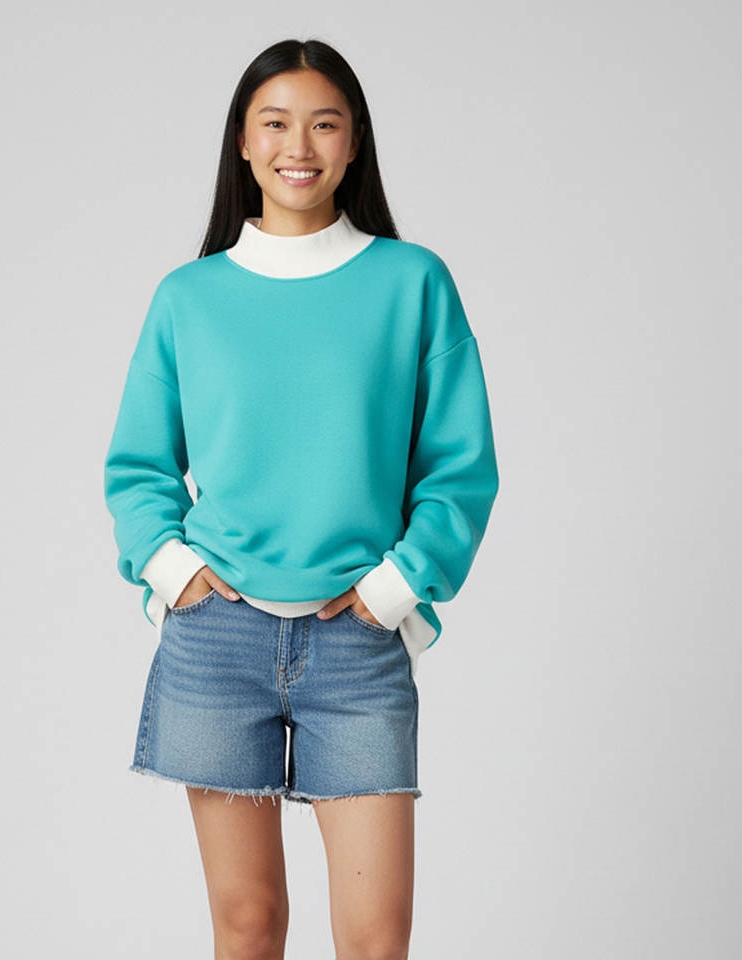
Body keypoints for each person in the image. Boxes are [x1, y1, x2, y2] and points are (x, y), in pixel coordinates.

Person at [104, 37, 499, 960]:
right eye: (275, 123)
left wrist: (396, 588)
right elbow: (138, 465)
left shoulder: (412, 282)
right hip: (217, 642)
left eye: (324, 124)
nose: (299, 146)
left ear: (354, 142)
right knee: (247, 926)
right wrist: (175, 571)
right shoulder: (189, 297)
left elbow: (460, 465)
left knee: (375, 941)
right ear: (243, 143)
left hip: (356, 644)